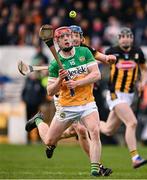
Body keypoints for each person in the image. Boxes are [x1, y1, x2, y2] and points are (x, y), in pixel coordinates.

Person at [26, 26, 103, 176]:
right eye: (62, 37)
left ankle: (95, 167)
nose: (67, 38)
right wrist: (60, 80)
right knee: (49, 142)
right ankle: (38, 121)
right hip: (66, 107)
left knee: (94, 131)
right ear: (57, 41)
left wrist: (77, 83)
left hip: (87, 103)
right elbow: (50, 91)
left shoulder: (84, 52)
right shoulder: (55, 64)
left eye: (68, 35)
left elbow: (96, 75)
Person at [100, 27, 147, 169]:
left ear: (132, 38)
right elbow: (100, 67)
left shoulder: (137, 52)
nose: (126, 38)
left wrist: (143, 82)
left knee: (108, 129)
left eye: (129, 36)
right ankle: (135, 157)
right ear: (119, 38)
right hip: (115, 93)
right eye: (123, 36)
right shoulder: (111, 51)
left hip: (129, 95)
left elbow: (145, 69)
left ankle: (88, 125)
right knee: (132, 122)